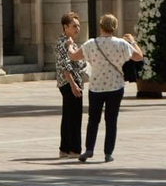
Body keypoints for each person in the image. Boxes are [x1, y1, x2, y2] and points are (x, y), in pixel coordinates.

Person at [80, 13, 144, 163]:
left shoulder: (91, 43)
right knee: (111, 120)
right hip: (115, 86)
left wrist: (70, 48)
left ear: (101, 26)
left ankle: (89, 149)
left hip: (96, 87)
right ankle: (108, 153)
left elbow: (75, 56)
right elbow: (139, 56)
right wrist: (133, 42)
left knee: (93, 119)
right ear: (115, 27)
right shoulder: (122, 44)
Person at [54, 12, 89, 159]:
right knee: (74, 117)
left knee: (69, 115)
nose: (77, 29)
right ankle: (73, 149)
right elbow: (65, 65)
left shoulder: (71, 43)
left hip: (73, 82)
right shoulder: (64, 43)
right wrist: (73, 84)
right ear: (65, 27)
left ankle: (65, 148)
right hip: (69, 83)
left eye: (78, 26)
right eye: (74, 26)